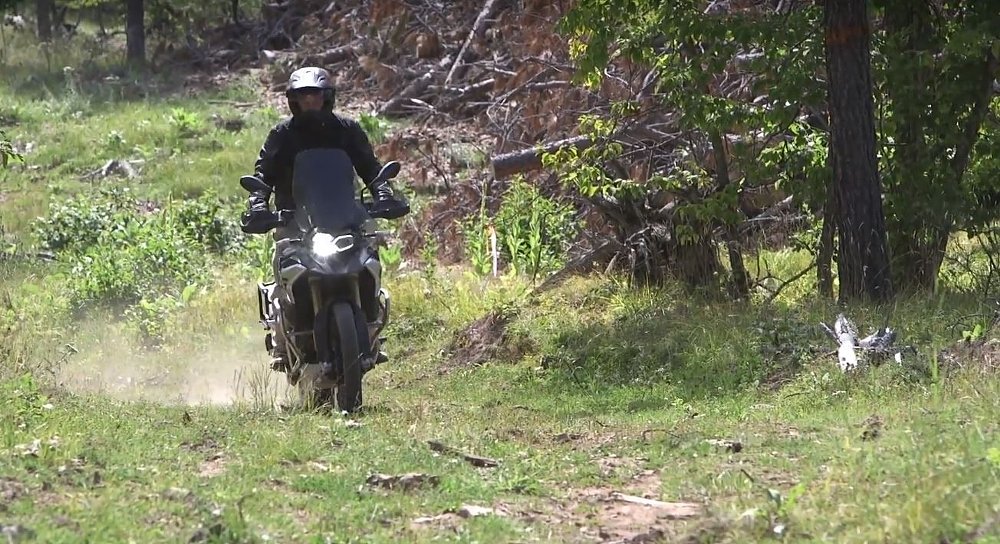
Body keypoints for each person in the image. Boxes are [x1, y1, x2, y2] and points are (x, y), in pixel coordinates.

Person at [243, 66, 408, 370]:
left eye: (315, 97)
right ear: (293, 101)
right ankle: (283, 341)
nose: (310, 103)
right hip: (295, 223)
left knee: (370, 262)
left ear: (327, 98)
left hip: (345, 219)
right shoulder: (282, 135)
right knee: (287, 270)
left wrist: (383, 194)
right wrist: (257, 204)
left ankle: (370, 327)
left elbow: (370, 168)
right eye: (303, 98)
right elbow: (263, 174)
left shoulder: (347, 130)